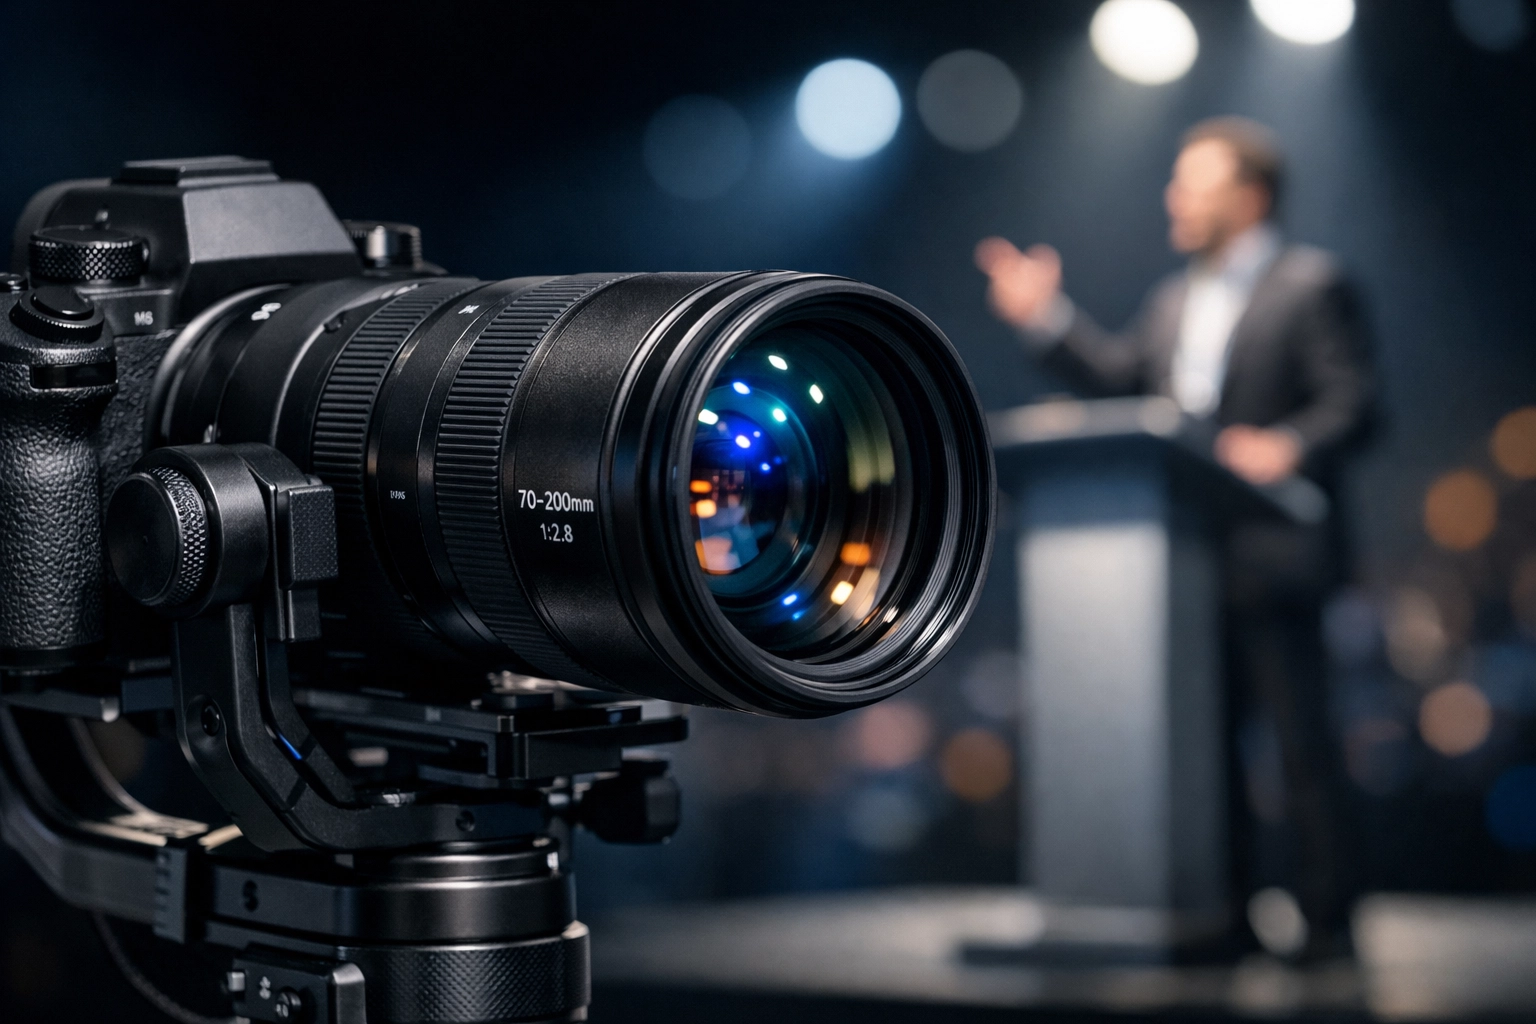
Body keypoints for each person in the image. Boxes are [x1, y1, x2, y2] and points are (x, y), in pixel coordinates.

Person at [976, 116, 1375, 958]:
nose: (1175, 198)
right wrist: (1046, 319)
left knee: (1300, 744)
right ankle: (1226, 915)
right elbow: (1122, 384)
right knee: (1206, 747)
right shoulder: (1173, 300)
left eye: (1195, 183)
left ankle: (1328, 921)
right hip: (1188, 562)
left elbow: (1357, 402)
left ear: (1251, 196)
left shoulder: (1311, 284)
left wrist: (1288, 444)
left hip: (1279, 554)